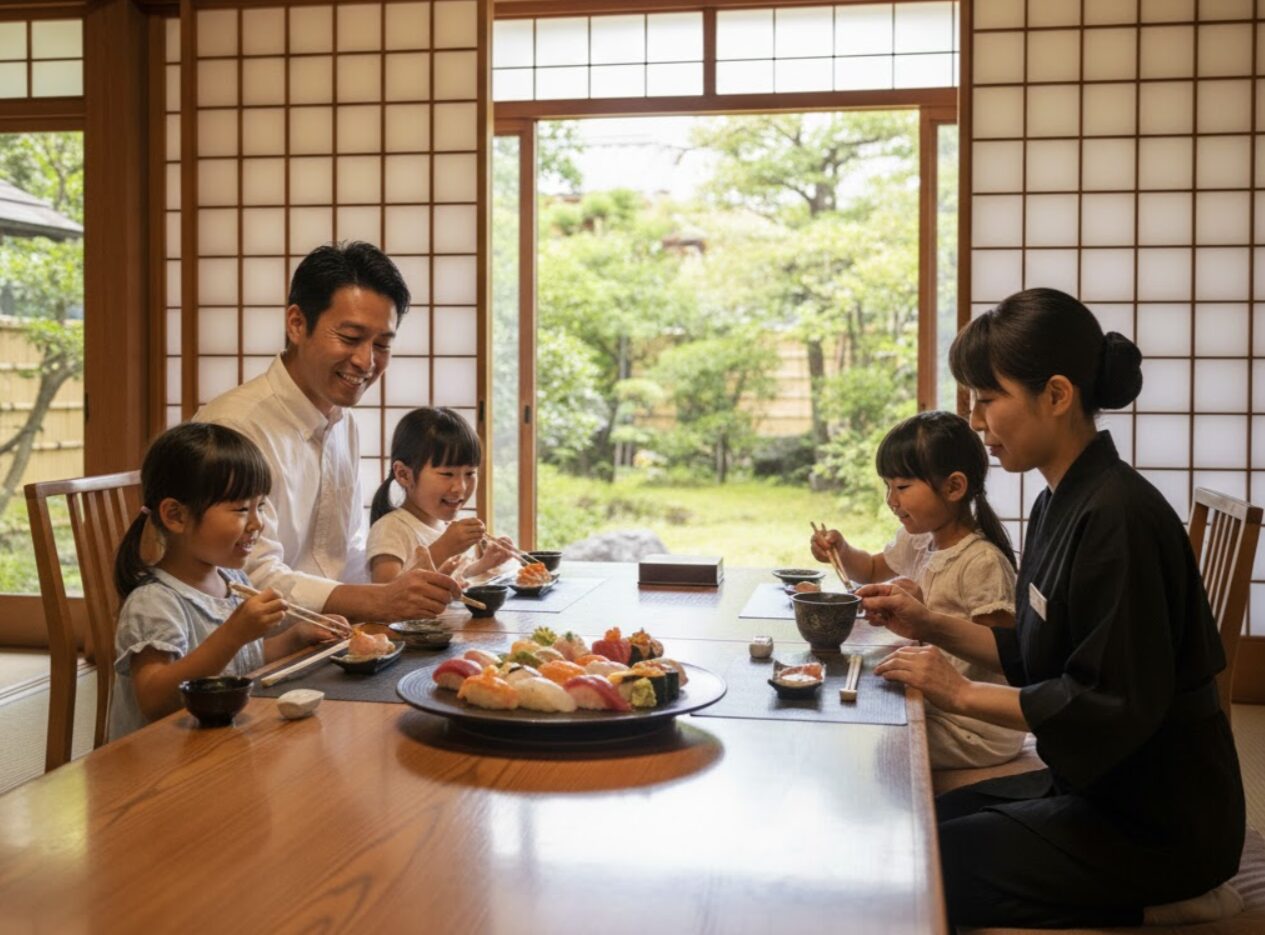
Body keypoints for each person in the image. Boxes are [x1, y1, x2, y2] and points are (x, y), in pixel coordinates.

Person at [862, 288, 1244, 928]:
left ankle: (1166, 904)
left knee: (923, 863)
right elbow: (1033, 650)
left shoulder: (1119, 518)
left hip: (1159, 821)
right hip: (1096, 784)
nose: (977, 423)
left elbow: (1102, 702)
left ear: (1058, 395)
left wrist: (954, 692)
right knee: (919, 818)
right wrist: (929, 624)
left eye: (988, 400)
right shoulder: (1057, 502)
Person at [195, 241, 459, 621]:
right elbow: (246, 576)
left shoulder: (343, 422)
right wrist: (377, 602)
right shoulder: (234, 427)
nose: (366, 362)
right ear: (297, 324)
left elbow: (347, 553)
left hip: (329, 635)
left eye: (382, 344)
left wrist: (395, 593)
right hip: (254, 646)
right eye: (351, 338)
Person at [811, 411, 1023, 769]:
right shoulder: (922, 538)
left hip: (975, 723)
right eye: (887, 486)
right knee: (849, 709)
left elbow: (1002, 652)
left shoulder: (981, 561)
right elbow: (872, 568)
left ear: (954, 487)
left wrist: (927, 617)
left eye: (903, 487)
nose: (891, 500)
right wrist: (842, 551)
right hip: (935, 700)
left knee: (868, 743)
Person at [109, 423, 334, 739]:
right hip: (158, 768)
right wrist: (234, 633)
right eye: (242, 509)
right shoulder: (154, 602)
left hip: (215, 748)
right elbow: (155, 700)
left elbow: (242, 662)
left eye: (261, 506)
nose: (257, 523)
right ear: (176, 516)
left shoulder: (233, 581)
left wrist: (298, 636)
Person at [367, 407, 518, 585]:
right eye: (447, 474)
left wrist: (484, 564)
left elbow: (453, 576)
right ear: (404, 475)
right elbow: (384, 595)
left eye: (470, 473)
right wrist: (445, 547)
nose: (460, 487)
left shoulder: (445, 525)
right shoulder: (390, 529)